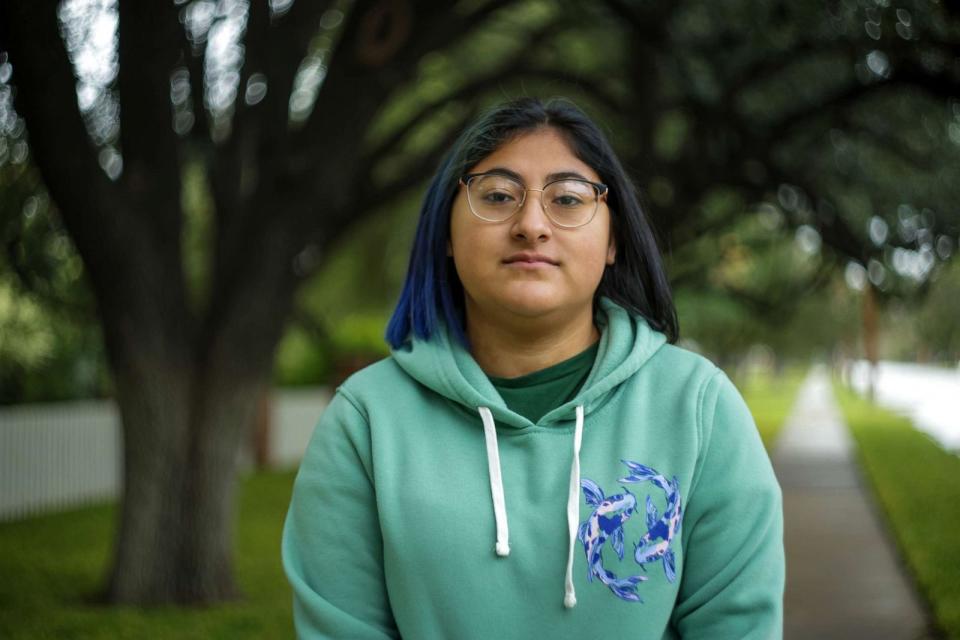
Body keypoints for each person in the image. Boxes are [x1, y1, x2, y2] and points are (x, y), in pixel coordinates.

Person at [282, 97, 784, 639]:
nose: (531, 225)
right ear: (446, 234)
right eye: (498, 196)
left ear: (613, 239)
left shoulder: (699, 409)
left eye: (567, 199)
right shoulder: (366, 421)